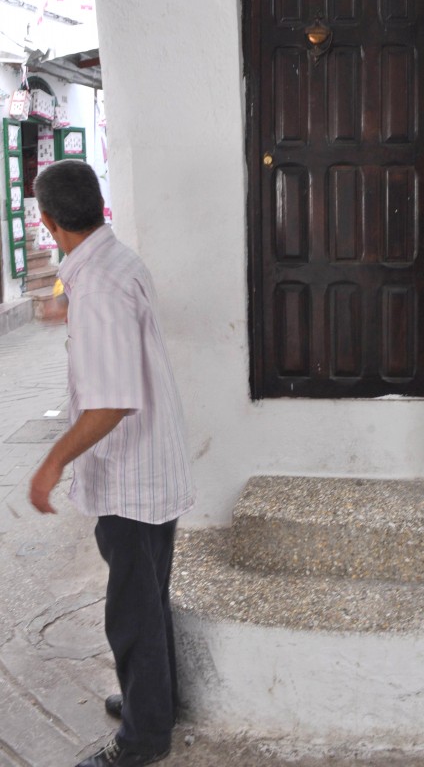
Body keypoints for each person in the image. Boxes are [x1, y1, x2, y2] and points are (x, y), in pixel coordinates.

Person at [29, 160, 195, 767]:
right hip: (152, 464)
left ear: (49, 222)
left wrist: (52, 463)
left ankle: (143, 740)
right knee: (147, 595)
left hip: (130, 477)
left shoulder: (97, 285)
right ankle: (156, 704)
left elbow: (112, 403)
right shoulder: (114, 261)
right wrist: (68, 309)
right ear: (97, 205)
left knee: (131, 611)